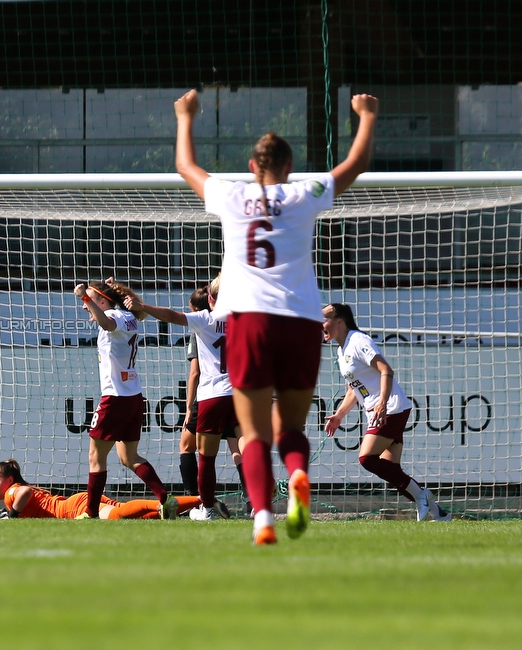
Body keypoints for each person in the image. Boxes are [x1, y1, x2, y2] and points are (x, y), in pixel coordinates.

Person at [174, 88, 379, 544]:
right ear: (289, 168)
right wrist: (366, 116)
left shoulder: (230, 196)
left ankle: (264, 517)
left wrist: (186, 116)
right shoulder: (305, 194)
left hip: (249, 322)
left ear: (252, 167)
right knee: (290, 428)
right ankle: (298, 475)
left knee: (252, 433)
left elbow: (186, 167)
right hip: (301, 322)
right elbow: (357, 164)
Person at [126, 275, 244, 521]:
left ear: (210, 299)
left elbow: (170, 316)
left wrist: (142, 307)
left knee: (206, 458)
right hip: (241, 394)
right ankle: (259, 492)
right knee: (243, 445)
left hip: (213, 394)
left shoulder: (205, 319)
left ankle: (207, 509)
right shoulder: (244, 320)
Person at [322, 303, 452, 521]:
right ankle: (439, 514)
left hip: (390, 408)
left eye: (324, 318)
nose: (320, 324)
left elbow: (386, 370)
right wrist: (339, 415)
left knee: (366, 459)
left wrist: (382, 402)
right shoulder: (341, 350)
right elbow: (354, 389)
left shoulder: (358, 341)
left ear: (340, 321)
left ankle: (423, 495)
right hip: (381, 411)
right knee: (393, 470)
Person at [72, 279, 179, 519]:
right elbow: (111, 321)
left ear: (102, 300)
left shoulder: (113, 316)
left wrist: (84, 297)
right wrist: (92, 301)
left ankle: (90, 513)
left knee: (95, 457)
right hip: (132, 396)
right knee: (128, 457)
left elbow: (108, 323)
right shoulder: (129, 316)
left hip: (115, 397)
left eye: (90, 299)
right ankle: (165, 498)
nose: (84, 306)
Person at [0, 459, 202, 520]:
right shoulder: (12, 491)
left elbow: (24, 493)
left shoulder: (12, 492)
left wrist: (12, 515)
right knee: (135, 515)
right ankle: (203, 500)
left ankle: (171, 503)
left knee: (118, 515)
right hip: (76, 502)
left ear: (9, 479)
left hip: (74, 509)